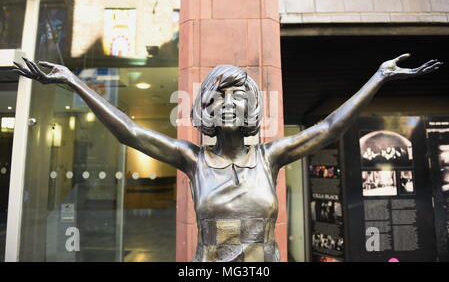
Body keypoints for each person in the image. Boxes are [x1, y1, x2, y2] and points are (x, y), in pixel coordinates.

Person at [12, 54, 442, 261]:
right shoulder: (193, 160)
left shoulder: (270, 157)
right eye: (220, 97)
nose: (230, 103)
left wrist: (379, 77)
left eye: (240, 96)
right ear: (207, 111)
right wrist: (73, 81)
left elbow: (330, 128)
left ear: (252, 106)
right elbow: (130, 131)